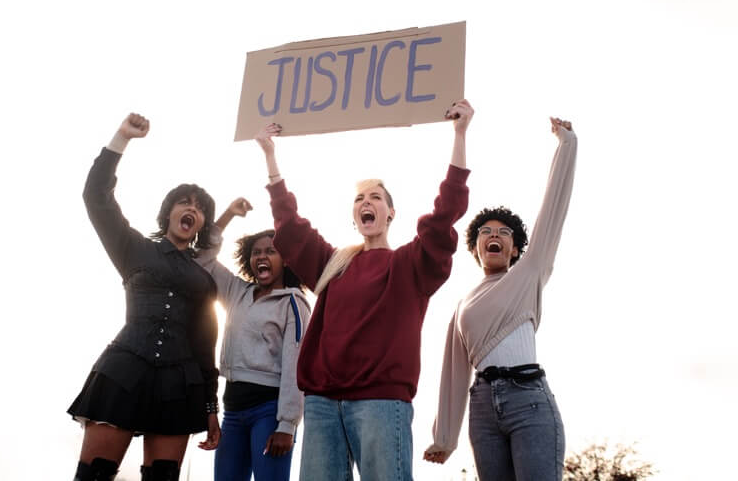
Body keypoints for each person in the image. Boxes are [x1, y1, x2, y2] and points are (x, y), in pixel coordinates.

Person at [255, 99, 474, 481]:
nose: (366, 202)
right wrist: (270, 155)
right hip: (322, 404)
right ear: (354, 215)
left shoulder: (408, 265)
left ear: (391, 213)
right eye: (360, 198)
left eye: (376, 197)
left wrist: (459, 134)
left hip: (381, 401)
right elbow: (289, 226)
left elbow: (443, 220)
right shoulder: (333, 264)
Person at [68, 113, 221, 481]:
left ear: (201, 224)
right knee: (94, 475)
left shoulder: (204, 280)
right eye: (185, 202)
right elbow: (96, 197)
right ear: (168, 212)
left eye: (200, 207)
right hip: (124, 371)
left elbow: (205, 347)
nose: (192, 209)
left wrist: (210, 407)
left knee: (164, 478)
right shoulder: (134, 248)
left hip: (178, 384)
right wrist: (121, 139)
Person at [423, 117, 577, 481]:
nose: (494, 236)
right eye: (485, 233)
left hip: (529, 399)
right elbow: (454, 371)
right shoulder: (464, 305)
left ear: (516, 248)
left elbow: (552, 211)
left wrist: (566, 145)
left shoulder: (528, 274)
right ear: (476, 249)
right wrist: (444, 438)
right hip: (483, 407)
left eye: (504, 233)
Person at [193, 197, 311, 481]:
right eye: (256, 252)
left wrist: (287, 425)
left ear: (285, 260)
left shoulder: (294, 303)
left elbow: (296, 365)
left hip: (268, 412)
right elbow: (202, 260)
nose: (262, 257)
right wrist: (227, 216)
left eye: (271, 251)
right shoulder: (237, 291)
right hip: (232, 411)